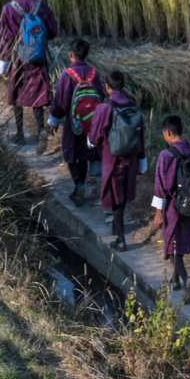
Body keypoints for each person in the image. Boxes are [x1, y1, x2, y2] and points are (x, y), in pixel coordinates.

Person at [0, 0, 59, 152]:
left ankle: (19, 134)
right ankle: (41, 129)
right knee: (38, 94)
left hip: (19, 59)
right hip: (38, 58)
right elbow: (53, 30)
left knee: (17, 93)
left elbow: (5, 38)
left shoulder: (9, 8)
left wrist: (3, 65)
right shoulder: (40, 5)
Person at [85, 70, 145, 250]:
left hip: (113, 159)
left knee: (116, 198)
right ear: (124, 86)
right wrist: (143, 159)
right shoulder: (134, 107)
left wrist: (90, 141)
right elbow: (141, 135)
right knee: (123, 195)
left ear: (107, 86)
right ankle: (116, 228)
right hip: (132, 158)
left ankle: (120, 239)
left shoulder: (104, 108)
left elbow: (95, 137)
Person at [151, 115, 190, 304]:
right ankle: (175, 280)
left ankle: (186, 279)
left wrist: (158, 212)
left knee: (172, 245)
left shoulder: (166, 155)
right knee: (179, 243)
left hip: (173, 206)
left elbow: (160, 186)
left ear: (168, 133)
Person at [48, 39, 105, 205]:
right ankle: (80, 186)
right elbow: (101, 96)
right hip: (91, 123)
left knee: (71, 154)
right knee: (84, 156)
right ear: (87, 54)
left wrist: (54, 121)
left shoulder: (67, 75)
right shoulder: (94, 73)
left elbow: (60, 100)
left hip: (74, 123)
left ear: (71, 54)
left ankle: (78, 185)